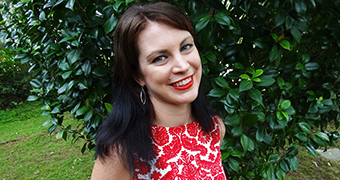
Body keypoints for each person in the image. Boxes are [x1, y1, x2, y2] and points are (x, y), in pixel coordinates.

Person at [91, 2, 226, 180]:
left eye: (186, 47)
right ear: (137, 76)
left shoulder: (214, 127)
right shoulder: (122, 152)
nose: (183, 66)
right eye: (160, 58)